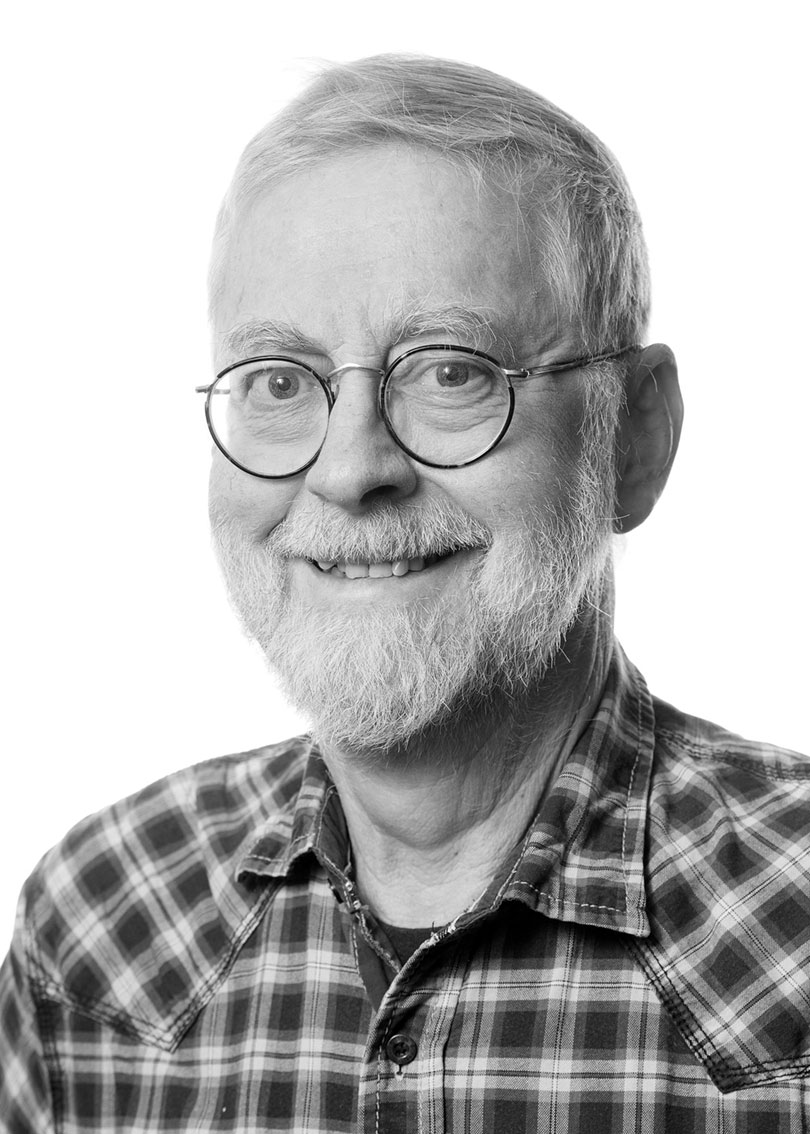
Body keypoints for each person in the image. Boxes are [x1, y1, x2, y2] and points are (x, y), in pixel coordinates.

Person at [1, 53, 808, 1133]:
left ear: (635, 438)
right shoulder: (97, 934)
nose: (349, 470)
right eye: (279, 381)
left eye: (450, 370)